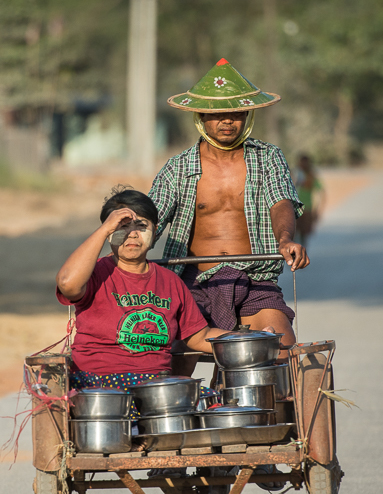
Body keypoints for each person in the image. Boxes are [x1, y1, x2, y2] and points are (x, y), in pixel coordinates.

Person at [149, 59, 308, 353]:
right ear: (200, 116)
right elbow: (151, 220)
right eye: (217, 114)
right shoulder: (177, 167)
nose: (227, 120)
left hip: (255, 279)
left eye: (235, 113)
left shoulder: (268, 158)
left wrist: (285, 240)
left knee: (282, 350)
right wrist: (126, 248)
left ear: (246, 114)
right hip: (191, 285)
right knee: (168, 358)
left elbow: (280, 201)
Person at [55, 186, 229, 396]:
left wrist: (255, 339)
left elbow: (201, 337)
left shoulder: (170, 281)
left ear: (155, 231)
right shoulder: (95, 274)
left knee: (213, 406)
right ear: (109, 234)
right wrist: (103, 230)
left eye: (141, 226)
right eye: (122, 227)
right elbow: (67, 283)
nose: (133, 234)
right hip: (97, 387)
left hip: (156, 390)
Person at [294, 154, 324, 250]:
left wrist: (317, 210)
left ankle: (301, 252)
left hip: (306, 208)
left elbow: (321, 193)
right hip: (294, 208)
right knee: (292, 232)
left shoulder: (311, 176)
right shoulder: (295, 174)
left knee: (303, 234)